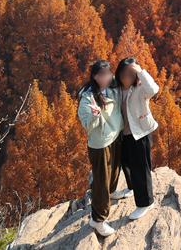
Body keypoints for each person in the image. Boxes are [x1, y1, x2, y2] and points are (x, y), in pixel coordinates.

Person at [78, 61, 127, 237]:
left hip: (115, 136)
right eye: (102, 75)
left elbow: (125, 78)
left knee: (115, 169)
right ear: (94, 76)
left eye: (108, 74)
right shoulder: (87, 98)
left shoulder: (112, 84)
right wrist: (95, 115)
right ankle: (98, 220)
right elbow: (87, 125)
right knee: (101, 182)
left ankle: (112, 192)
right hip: (100, 144)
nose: (106, 78)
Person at [114, 57, 161, 220]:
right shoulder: (116, 90)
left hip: (140, 133)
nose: (126, 77)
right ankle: (132, 188)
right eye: (123, 74)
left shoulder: (141, 90)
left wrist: (141, 72)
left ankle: (145, 203)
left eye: (130, 74)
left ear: (136, 76)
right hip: (123, 133)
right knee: (126, 163)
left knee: (141, 169)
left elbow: (154, 89)